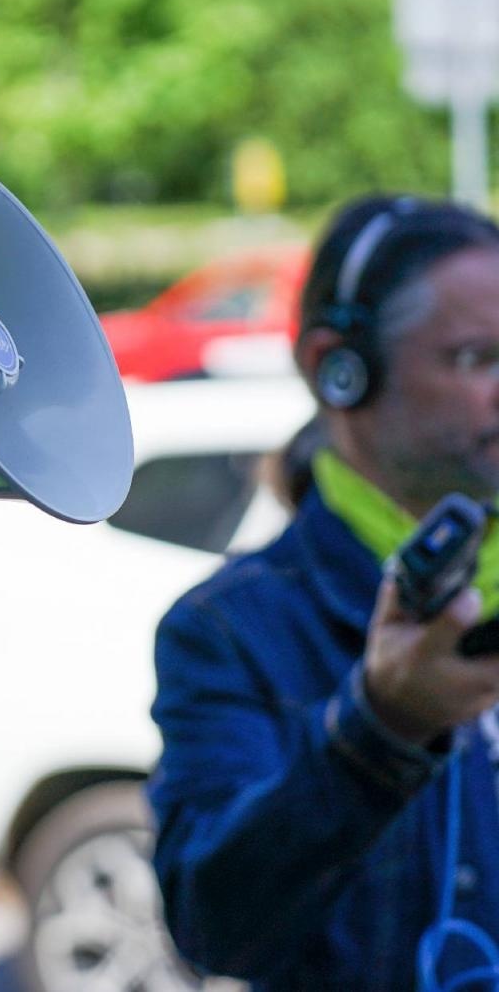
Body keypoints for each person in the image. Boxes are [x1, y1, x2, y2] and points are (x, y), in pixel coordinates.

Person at [148, 194, 499, 991]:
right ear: (336, 367)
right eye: (478, 358)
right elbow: (213, 926)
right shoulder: (229, 628)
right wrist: (381, 729)